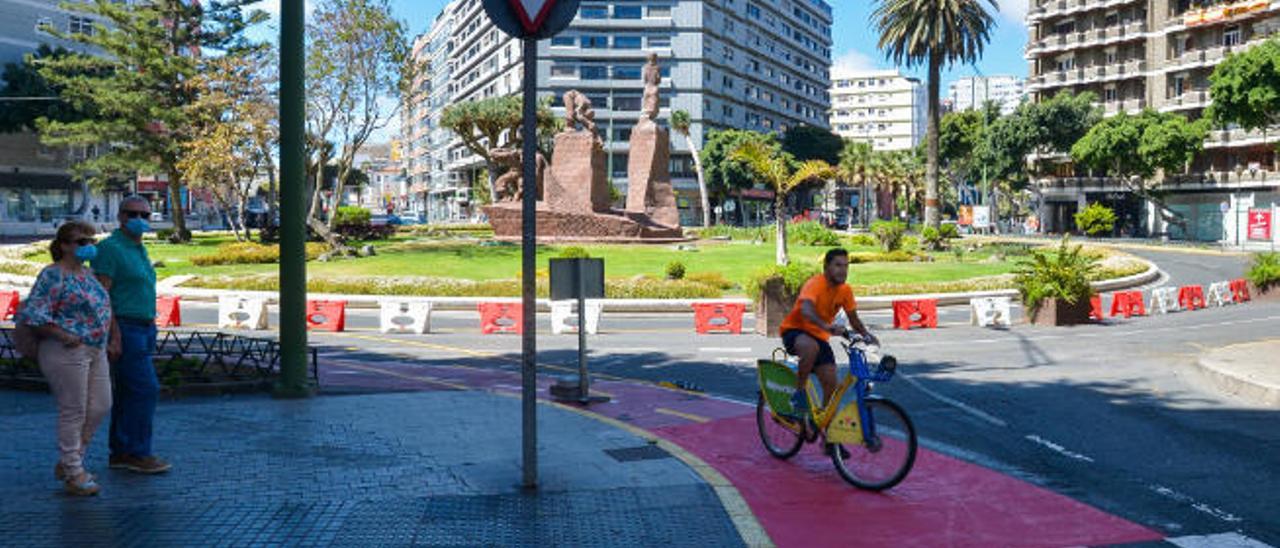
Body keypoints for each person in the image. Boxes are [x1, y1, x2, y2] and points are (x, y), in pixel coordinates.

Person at [17, 220, 114, 496]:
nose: (88, 247)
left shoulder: (88, 274)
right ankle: (74, 471)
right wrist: (62, 335)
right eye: (81, 242)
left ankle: (71, 459)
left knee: (100, 405)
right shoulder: (52, 275)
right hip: (66, 350)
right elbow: (34, 315)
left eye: (91, 242)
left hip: (96, 349)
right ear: (64, 246)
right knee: (74, 410)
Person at [92, 195, 171, 474]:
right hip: (126, 328)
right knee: (144, 390)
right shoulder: (111, 249)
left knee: (129, 393)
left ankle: (123, 452)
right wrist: (114, 336)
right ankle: (136, 452)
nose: (139, 220)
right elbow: (103, 296)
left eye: (145, 215)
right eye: (132, 214)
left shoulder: (138, 248)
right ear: (120, 216)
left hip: (144, 327)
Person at [778, 249, 876, 433]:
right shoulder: (815, 284)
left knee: (832, 386)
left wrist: (866, 335)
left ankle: (828, 437)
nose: (843, 270)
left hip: (819, 336)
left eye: (846, 266)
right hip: (795, 330)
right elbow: (806, 311)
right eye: (838, 265)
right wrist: (828, 327)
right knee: (811, 347)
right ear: (826, 267)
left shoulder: (845, 290)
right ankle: (797, 395)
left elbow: (854, 320)